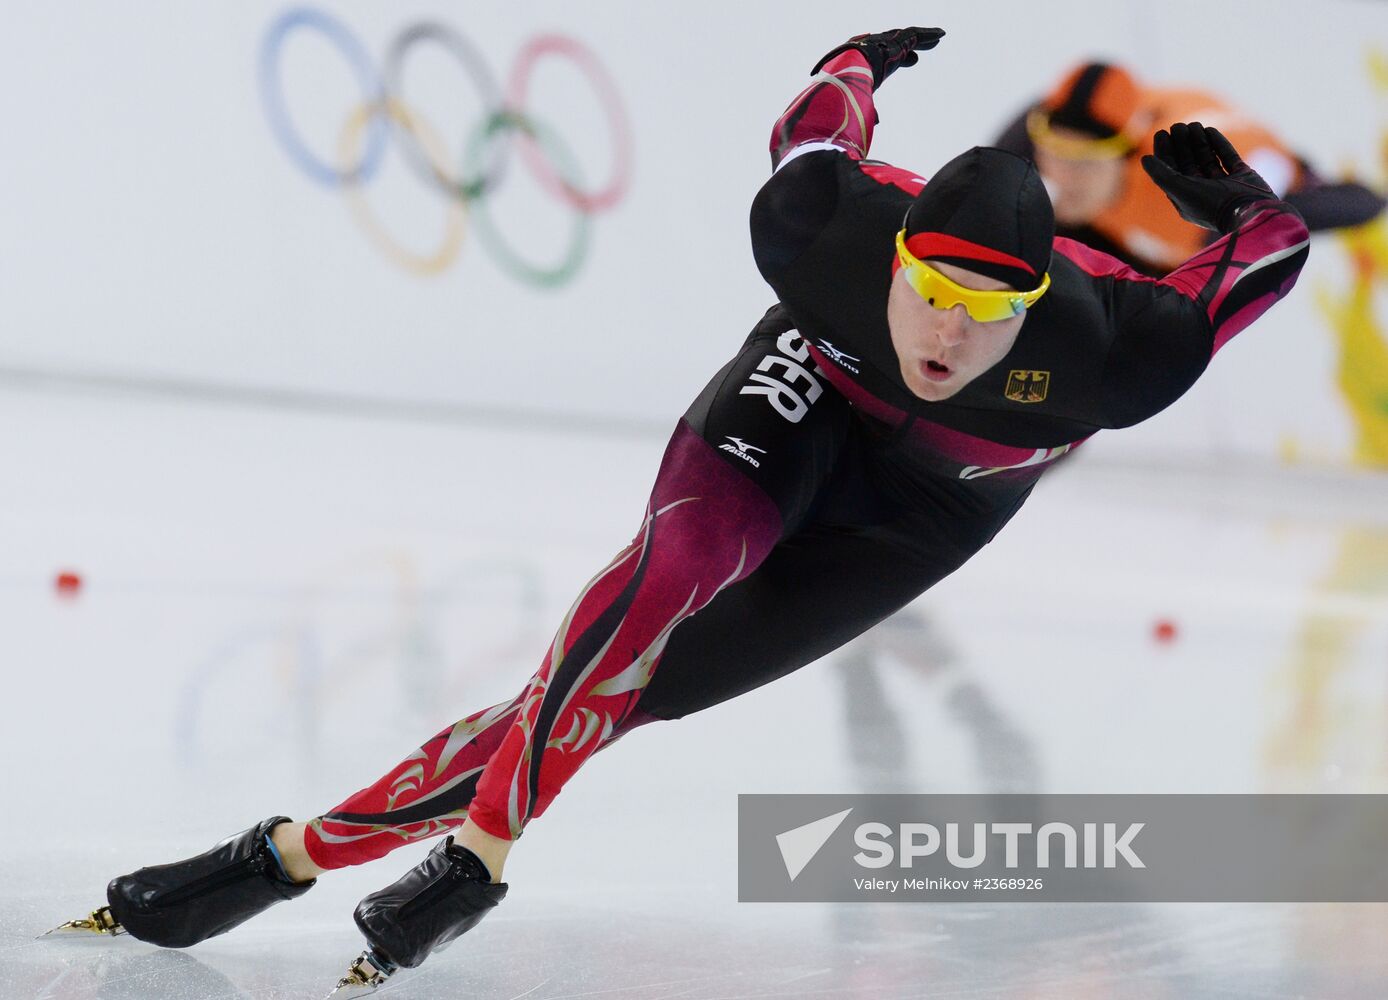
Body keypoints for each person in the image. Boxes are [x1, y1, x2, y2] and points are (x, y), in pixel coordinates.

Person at [50, 27, 1310, 997]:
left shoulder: (1114, 350)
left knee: (613, 704)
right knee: (679, 562)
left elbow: (1265, 255)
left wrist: (1244, 210)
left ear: (1034, 305)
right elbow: (817, 122)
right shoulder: (825, 235)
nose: (946, 333)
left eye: (988, 315)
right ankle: (477, 855)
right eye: (929, 292)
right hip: (807, 390)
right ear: (895, 261)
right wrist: (857, 57)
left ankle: (284, 856)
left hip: (924, 514)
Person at [995, 60, 1383, 274]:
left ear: (1129, 156)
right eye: (1053, 155)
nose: (1059, 178)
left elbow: (1351, 206)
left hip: (1265, 180)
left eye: (1081, 166)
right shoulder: (1033, 138)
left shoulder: (1202, 184)